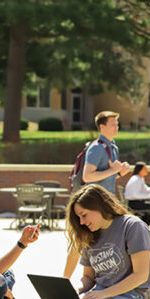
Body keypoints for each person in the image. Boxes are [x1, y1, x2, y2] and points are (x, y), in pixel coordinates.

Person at [63, 110, 132, 277]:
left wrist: (119, 172)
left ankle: (99, 278)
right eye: (113, 124)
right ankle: (65, 280)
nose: (117, 127)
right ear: (102, 127)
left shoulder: (112, 147)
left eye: (117, 124)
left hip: (106, 204)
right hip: (93, 204)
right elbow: (88, 176)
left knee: (103, 241)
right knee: (80, 242)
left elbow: (107, 177)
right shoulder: (97, 148)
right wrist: (112, 170)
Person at [123, 162, 150, 232]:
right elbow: (134, 194)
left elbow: (145, 189)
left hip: (137, 201)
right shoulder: (136, 179)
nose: (147, 170)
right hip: (134, 203)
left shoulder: (139, 178)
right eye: (145, 168)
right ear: (140, 170)